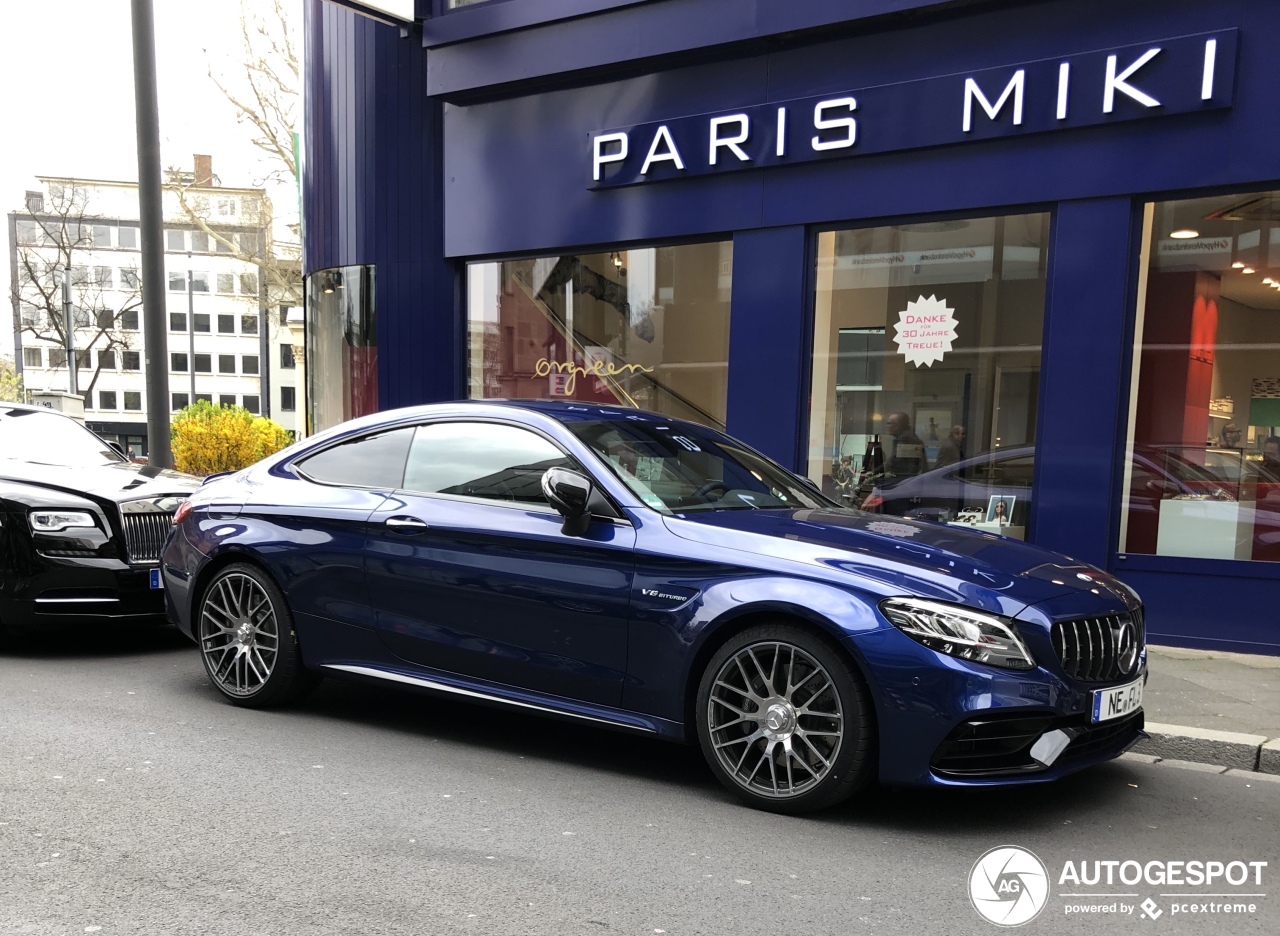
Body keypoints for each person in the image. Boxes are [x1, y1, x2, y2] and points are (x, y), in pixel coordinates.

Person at [885, 411, 926, 476]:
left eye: (889, 423)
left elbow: (895, 462)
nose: (887, 426)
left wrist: (874, 472)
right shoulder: (910, 436)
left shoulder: (905, 438)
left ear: (897, 425)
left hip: (903, 479)